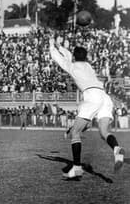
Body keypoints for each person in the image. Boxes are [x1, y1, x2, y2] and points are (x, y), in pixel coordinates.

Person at [49, 37, 125, 178]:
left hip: (92, 96)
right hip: (104, 97)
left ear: (74, 56)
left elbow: (60, 59)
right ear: (85, 57)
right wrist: (60, 47)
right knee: (104, 132)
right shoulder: (88, 66)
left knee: (75, 133)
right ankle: (116, 150)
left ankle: (77, 168)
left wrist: (52, 46)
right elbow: (70, 56)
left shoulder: (72, 67)